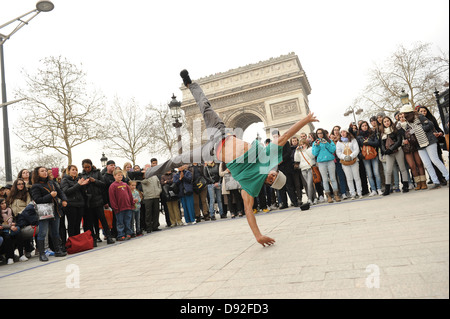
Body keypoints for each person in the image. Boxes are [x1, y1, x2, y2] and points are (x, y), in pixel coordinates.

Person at [146, 70, 318, 246]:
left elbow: (248, 211)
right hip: (221, 133)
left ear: (269, 183)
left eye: (273, 179)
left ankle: (146, 174)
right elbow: (285, 135)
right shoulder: (267, 159)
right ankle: (191, 84)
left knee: (177, 160)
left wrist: (258, 236)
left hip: (211, 151)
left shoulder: (250, 187)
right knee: (205, 106)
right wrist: (306, 119)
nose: (273, 175)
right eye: (275, 174)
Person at [402, 104, 449, 188]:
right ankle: (436, 182)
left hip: (430, 141)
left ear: (408, 113)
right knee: (427, 164)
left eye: (404, 113)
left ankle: (448, 177)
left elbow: (430, 125)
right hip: (419, 144)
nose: (403, 115)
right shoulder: (408, 123)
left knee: (435, 160)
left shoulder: (420, 117)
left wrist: (418, 129)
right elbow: (408, 133)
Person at [30, 166, 68, 261]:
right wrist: (50, 195)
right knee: (42, 233)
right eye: (42, 171)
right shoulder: (35, 186)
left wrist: (64, 200)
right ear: (37, 174)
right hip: (44, 212)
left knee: (55, 231)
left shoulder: (51, 182)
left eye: (45, 171)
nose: (45, 172)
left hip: (55, 210)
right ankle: (42, 254)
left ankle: (58, 250)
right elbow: (38, 200)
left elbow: (60, 192)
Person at [79, 159, 115, 245]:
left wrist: (94, 181)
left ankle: (109, 236)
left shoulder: (97, 173)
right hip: (88, 201)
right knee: (90, 221)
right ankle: (94, 238)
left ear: (91, 165)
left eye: (88, 167)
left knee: (102, 219)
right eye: (85, 167)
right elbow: (80, 187)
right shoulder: (81, 175)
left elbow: (103, 184)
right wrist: (84, 183)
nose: (87, 169)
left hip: (98, 199)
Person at [380, 116, 410, 195]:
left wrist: (391, 148)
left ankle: (405, 186)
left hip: (398, 150)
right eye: (385, 122)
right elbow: (382, 144)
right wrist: (385, 151)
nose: (387, 122)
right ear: (383, 124)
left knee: (402, 168)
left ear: (390, 121)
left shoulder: (396, 129)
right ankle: (387, 189)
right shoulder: (382, 133)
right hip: (389, 154)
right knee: (388, 171)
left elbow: (399, 141)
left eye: (388, 121)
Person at [396, 112, 426, 190]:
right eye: (400, 117)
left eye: (403, 116)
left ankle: (423, 182)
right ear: (398, 118)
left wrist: (409, 137)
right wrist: (403, 142)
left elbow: (415, 132)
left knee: (419, 164)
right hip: (406, 148)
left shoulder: (410, 124)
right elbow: (397, 139)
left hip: (414, 145)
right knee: (412, 166)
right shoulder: (397, 127)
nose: (402, 118)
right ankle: (418, 183)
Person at [312, 128, 341, 203]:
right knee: (325, 180)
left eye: (321, 133)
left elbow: (332, 150)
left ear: (323, 134)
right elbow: (314, 153)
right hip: (321, 162)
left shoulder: (329, 141)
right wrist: (317, 146)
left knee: (333, 178)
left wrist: (326, 143)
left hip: (330, 161)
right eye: (318, 133)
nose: (320, 135)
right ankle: (328, 196)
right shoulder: (315, 143)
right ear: (316, 135)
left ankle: (336, 195)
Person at [61, 165, 89, 237]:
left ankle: (78, 241)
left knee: (78, 224)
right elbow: (66, 191)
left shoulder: (78, 179)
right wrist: (78, 184)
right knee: (72, 224)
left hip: (79, 204)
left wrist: (83, 185)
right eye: (73, 170)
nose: (75, 171)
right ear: (69, 171)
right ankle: (72, 241)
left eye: (76, 170)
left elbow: (82, 192)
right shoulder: (65, 180)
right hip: (71, 205)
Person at [356, 121, 383, 196]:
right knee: (369, 174)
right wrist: (360, 154)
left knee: (376, 173)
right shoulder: (358, 137)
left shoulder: (372, 134)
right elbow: (357, 147)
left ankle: (379, 189)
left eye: (366, 125)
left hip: (374, 155)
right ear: (360, 127)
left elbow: (377, 143)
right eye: (363, 126)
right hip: (365, 157)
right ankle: (373, 190)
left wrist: (369, 143)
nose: (364, 127)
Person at [336, 129, 363, 200]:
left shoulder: (353, 140)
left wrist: (351, 156)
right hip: (345, 162)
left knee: (356, 177)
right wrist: (344, 157)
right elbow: (338, 152)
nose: (343, 133)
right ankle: (352, 193)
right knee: (349, 178)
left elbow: (356, 149)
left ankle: (359, 192)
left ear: (347, 132)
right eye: (341, 132)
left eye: (344, 131)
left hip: (354, 161)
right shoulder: (339, 142)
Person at [108, 168, 135, 241]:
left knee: (128, 221)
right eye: (118, 175)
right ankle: (121, 235)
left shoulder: (125, 185)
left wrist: (132, 203)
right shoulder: (112, 186)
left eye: (121, 175)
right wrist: (115, 207)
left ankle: (129, 233)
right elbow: (112, 198)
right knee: (120, 223)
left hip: (128, 207)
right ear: (114, 176)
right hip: (119, 208)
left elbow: (130, 195)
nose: (120, 176)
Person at [294, 138, 318, 205]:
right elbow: (297, 159)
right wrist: (297, 151)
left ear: (306, 144)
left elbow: (312, 156)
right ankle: (315, 198)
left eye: (303, 144)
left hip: (309, 167)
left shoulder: (309, 149)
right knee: (308, 185)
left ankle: (310, 199)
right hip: (303, 168)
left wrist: (305, 150)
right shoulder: (300, 151)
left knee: (309, 184)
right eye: (301, 144)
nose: (302, 145)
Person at [141, 161, 163, 232]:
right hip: (148, 197)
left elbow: (158, 184)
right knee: (148, 213)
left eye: (149, 168)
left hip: (156, 196)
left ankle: (155, 226)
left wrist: (159, 190)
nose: (148, 169)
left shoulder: (155, 175)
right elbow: (145, 182)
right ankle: (149, 228)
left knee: (156, 212)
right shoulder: (144, 177)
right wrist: (145, 174)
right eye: (147, 168)